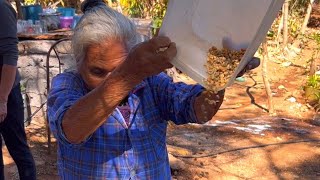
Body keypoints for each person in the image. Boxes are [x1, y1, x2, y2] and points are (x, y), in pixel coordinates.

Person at [47, 0, 260, 179]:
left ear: (130, 54)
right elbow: (70, 131)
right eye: (97, 71)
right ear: (78, 61)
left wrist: (220, 76)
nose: (108, 80)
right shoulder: (68, 84)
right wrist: (128, 73)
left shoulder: (150, 82)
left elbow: (196, 108)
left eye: (119, 68)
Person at [0, 0, 36, 180]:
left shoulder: (1, 8)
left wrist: (2, 100)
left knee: (17, 148)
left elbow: (10, 56)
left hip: (5, 92)